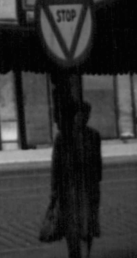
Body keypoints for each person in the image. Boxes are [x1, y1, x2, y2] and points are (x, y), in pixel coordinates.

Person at [48, 99, 103, 258]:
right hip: (70, 188)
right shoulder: (63, 137)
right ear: (75, 116)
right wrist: (55, 190)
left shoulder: (93, 136)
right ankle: (74, 254)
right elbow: (56, 166)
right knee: (72, 225)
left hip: (87, 186)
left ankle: (86, 253)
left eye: (87, 115)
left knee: (88, 225)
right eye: (81, 115)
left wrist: (95, 183)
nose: (84, 118)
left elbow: (97, 164)